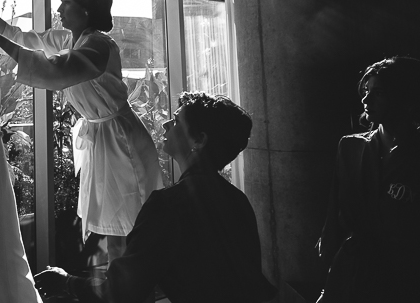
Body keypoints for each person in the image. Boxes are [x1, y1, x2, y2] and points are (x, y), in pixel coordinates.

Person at [0, 0, 163, 261]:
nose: (58, 10)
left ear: (86, 9)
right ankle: (119, 291)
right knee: (115, 234)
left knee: (129, 233)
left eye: (65, 3)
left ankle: (130, 291)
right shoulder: (68, 39)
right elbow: (19, 36)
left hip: (121, 142)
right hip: (102, 140)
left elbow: (57, 72)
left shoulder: (99, 45)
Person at [34, 92, 277, 303]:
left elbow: (121, 292)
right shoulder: (238, 201)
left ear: (199, 140)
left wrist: (66, 282)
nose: (165, 125)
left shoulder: (169, 206)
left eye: (177, 120)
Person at [315, 56, 420, 303]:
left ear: (405, 97)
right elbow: (334, 212)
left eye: (378, 92)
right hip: (353, 270)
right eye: (366, 90)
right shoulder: (350, 147)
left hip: (406, 275)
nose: (365, 99)